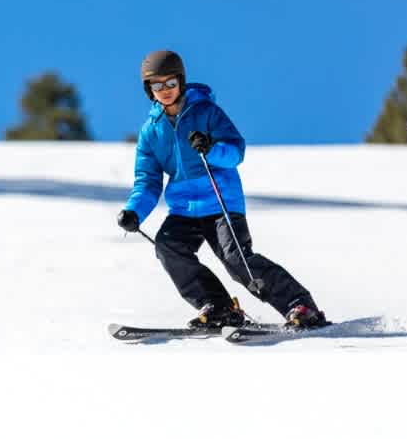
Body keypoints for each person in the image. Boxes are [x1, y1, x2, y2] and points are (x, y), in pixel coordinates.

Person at [116, 50, 327, 330]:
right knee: (168, 247)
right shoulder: (150, 132)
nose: (165, 90)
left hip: (220, 202)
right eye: (157, 85)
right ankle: (218, 306)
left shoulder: (206, 112)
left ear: (181, 82)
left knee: (237, 258)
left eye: (170, 83)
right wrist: (135, 212)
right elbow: (148, 181)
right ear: (148, 89)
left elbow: (236, 152)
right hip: (184, 210)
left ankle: (299, 305)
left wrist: (212, 148)